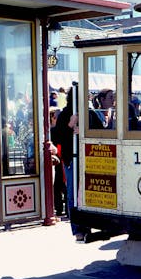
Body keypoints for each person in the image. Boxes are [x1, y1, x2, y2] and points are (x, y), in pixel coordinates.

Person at [52, 87, 91, 242]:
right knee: (73, 193)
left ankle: (87, 226)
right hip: (70, 159)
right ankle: (77, 229)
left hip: (87, 158)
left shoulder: (88, 113)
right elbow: (58, 137)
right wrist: (70, 126)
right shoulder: (65, 114)